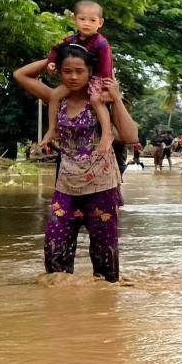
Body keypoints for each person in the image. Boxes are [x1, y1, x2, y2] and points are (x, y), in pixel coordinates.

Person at [13, 44, 141, 281]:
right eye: (67, 71)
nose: (73, 77)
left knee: (105, 262)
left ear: (90, 71)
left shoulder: (102, 101)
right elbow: (20, 74)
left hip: (101, 187)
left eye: (79, 71)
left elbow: (131, 136)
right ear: (59, 72)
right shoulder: (56, 98)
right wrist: (53, 56)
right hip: (66, 186)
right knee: (55, 255)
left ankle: (103, 307)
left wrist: (117, 98)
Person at [39, 0, 117, 152]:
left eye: (92, 20)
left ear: (100, 23)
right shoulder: (71, 39)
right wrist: (51, 62)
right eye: (82, 19)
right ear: (74, 19)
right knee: (54, 95)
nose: (87, 24)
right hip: (79, 79)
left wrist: (106, 89)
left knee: (95, 99)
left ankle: (107, 133)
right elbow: (56, 49)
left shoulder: (101, 43)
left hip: (97, 78)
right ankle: (52, 129)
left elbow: (107, 67)